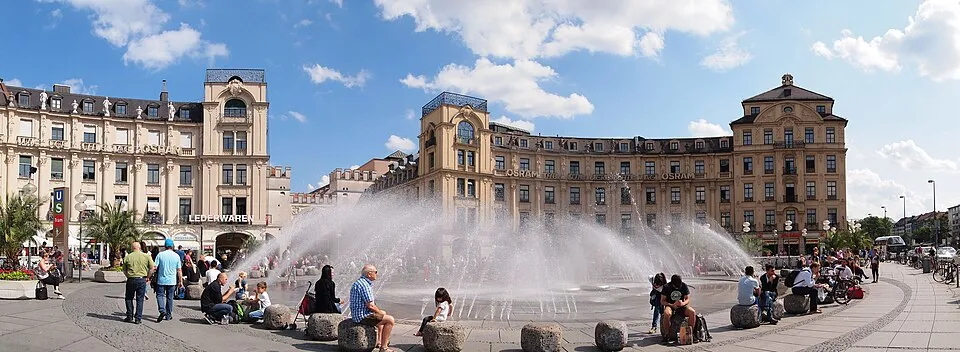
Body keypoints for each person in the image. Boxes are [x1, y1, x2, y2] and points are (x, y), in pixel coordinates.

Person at [350, 264, 396, 352]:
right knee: (390, 320)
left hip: (358, 314)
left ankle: (379, 341)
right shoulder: (364, 285)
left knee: (383, 313)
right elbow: (370, 305)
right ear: (369, 274)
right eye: (375, 272)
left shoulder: (360, 282)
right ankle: (384, 348)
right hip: (362, 316)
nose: (377, 274)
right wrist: (379, 312)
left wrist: (380, 312)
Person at [122, 242, 155, 324]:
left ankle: (129, 316)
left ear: (132, 248)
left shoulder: (128, 257)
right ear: (140, 248)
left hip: (131, 279)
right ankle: (138, 319)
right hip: (142, 279)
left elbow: (124, 270)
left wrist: (128, 276)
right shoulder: (146, 256)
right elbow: (152, 268)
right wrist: (148, 277)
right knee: (140, 299)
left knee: (129, 298)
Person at [660, 275, 697, 343]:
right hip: (670, 305)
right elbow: (662, 301)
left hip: (682, 306)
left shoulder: (683, 285)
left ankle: (691, 333)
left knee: (692, 312)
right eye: (675, 286)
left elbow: (687, 299)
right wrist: (672, 305)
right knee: (667, 313)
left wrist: (683, 303)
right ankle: (667, 335)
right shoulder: (666, 287)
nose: (677, 287)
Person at [154, 239, 183, 323]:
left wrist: (149, 276)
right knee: (170, 298)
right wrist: (180, 281)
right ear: (172, 246)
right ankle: (168, 315)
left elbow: (154, 267)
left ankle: (162, 310)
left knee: (159, 295)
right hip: (172, 281)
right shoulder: (176, 256)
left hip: (161, 280)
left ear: (165, 246)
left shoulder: (160, 255)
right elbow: (179, 270)